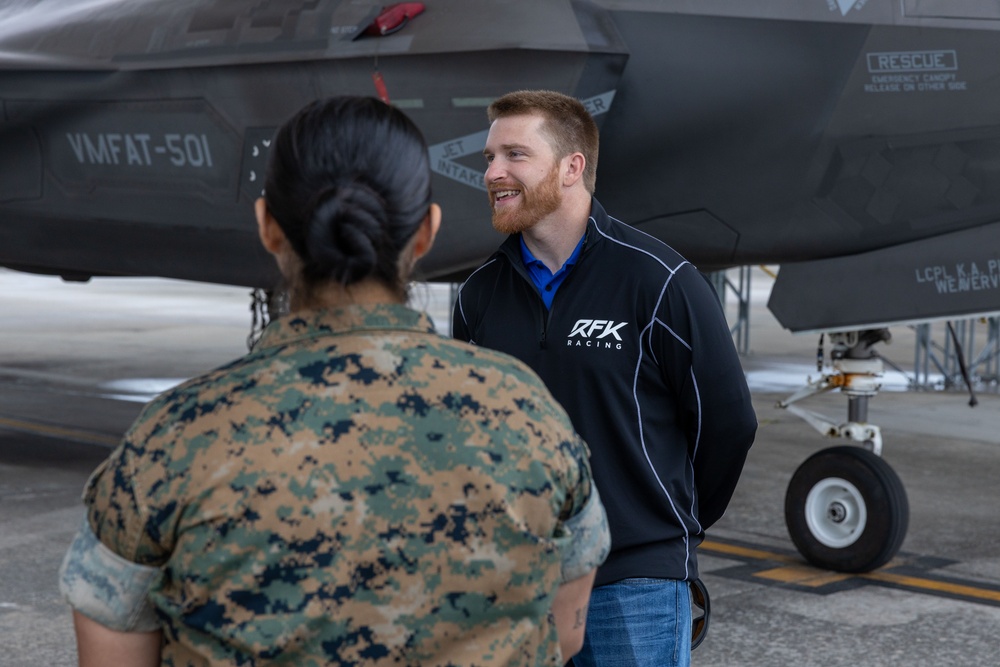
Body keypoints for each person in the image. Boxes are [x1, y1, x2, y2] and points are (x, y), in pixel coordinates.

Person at [60, 95, 610, 667]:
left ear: (268, 226)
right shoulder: (528, 412)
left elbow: (111, 652)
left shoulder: (173, 435)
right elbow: (563, 634)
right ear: (427, 233)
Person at [452, 90, 757, 667]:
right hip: (519, 584)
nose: (493, 173)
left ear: (573, 167)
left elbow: (729, 425)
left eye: (514, 155)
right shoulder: (479, 296)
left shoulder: (659, 280)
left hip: (633, 582)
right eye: (489, 158)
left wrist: (664, 527)